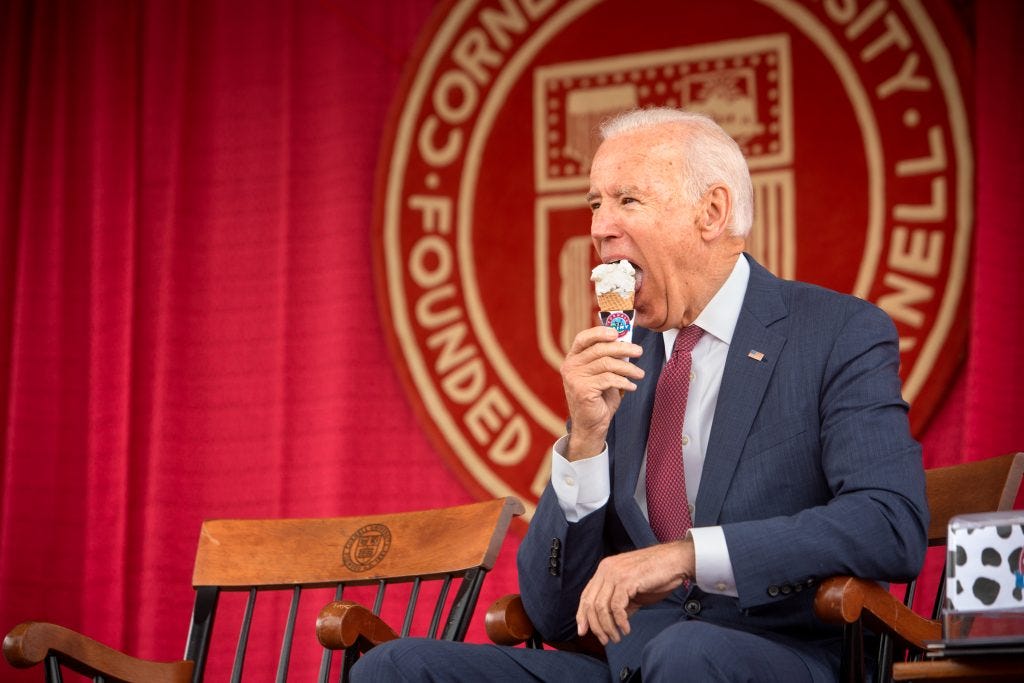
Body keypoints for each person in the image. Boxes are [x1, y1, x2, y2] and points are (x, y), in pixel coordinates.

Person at [352, 107, 929, 681]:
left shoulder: (835, 333)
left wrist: (686, 555)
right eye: (595, 204)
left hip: (781, 658)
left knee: (684, 656)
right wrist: (585, 440)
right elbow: (554, 616)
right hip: (633, 669)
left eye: (627, 201)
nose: (600, 226)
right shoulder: (623, 362)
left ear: (712, 212)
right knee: (396, 667)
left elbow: (889, 522)